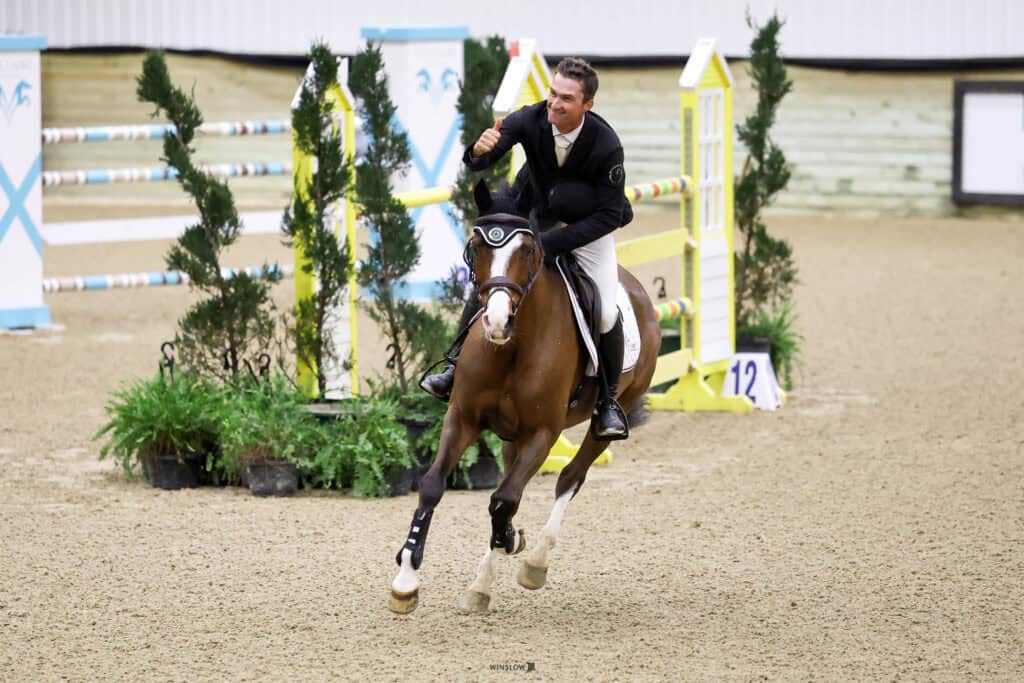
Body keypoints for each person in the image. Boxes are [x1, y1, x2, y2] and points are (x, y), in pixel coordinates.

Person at [421, 57, 632, 440]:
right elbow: (484, 157)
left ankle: (608, 404)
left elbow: (609, 215)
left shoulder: (606, 145)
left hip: (588, 229)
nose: (554, 103)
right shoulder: (531, 119)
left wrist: (549, 244)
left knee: (604, 312)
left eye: (566, 98)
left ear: (587, 105)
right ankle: (454, 368)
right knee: (496, 281)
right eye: (553, 93)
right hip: (534, 215)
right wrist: (477, 151)